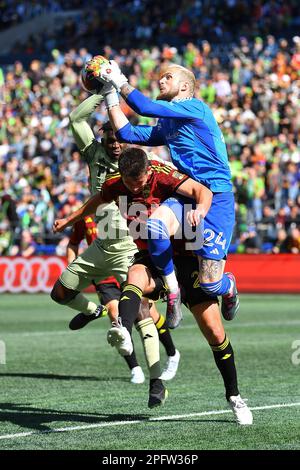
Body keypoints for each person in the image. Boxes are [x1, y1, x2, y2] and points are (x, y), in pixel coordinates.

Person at [53, 148, 252, 424]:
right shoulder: (115, 184)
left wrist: (201, 212)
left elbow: (202, 192)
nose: (135, 188)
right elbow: (96, 200)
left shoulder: (165, 176)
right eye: (129, 183)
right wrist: (69, 220)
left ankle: (234, 397)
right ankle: (121, 327)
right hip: (152, 258)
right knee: (134, 275)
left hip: (187, 257)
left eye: (139, 182)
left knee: (215, 333)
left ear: (148, 171)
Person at [90, 58, 239, 328]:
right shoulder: (169, 124)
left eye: (168, 77)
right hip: (187, 194)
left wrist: (118, 77)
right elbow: (127, 133)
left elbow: (143, 107)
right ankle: (172, 290)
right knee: (155, 225)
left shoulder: (195, 109)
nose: (161, 80)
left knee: (210, 283)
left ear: (184, 86)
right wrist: (111, 95)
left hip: (216, 197)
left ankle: (228, 287)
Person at [51, 94, 179, 387]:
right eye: (110, 139)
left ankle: (156, 377)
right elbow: (75, 119)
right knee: (60, 294)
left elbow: (164, 180)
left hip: (127, 247)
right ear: (104, 139)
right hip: (99, 244)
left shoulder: (138, 164)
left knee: (142, 312)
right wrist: (102, 90)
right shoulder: (93, 154)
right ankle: (92, 311)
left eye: (120, 139)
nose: (116, 144)